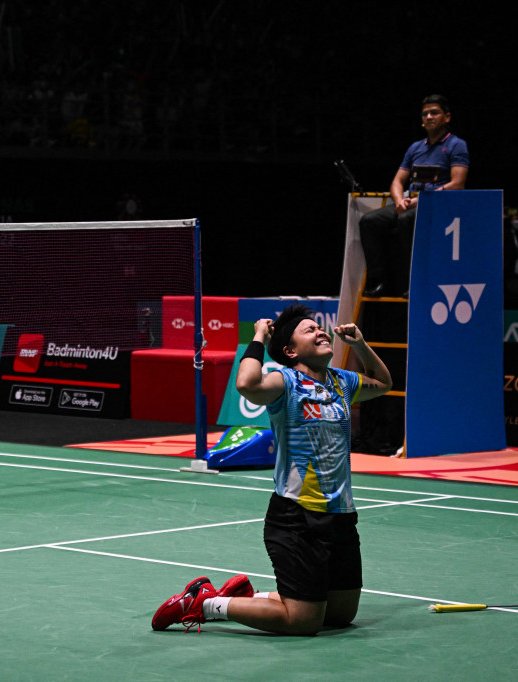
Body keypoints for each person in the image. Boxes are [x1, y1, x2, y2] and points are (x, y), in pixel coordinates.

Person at [152, 305, 392, 635]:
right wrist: (259, 338)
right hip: (298, 517)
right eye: (309, 331)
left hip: (341, 515)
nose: (320, 332)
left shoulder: (342, 382)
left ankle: (244, 596)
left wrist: (360, 345)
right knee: (303, 621)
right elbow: (247, 383)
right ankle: (205, 603)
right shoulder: (286, 381)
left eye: (319, 328)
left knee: (339, 616)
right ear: (290, 351)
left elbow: (383, 382)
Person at [359, 94, 470, 297]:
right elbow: (397, 181)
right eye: (425, 114)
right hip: (411, 202)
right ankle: (379, 281)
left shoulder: (456, 145)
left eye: (434, 112)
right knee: (369, 221)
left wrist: (421, 200)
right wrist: (400, 200)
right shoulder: (415, 148)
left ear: (447, 117)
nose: (429, 117)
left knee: (406, 220)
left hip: (438, 205)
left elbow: (457, 184)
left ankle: (415, 282)